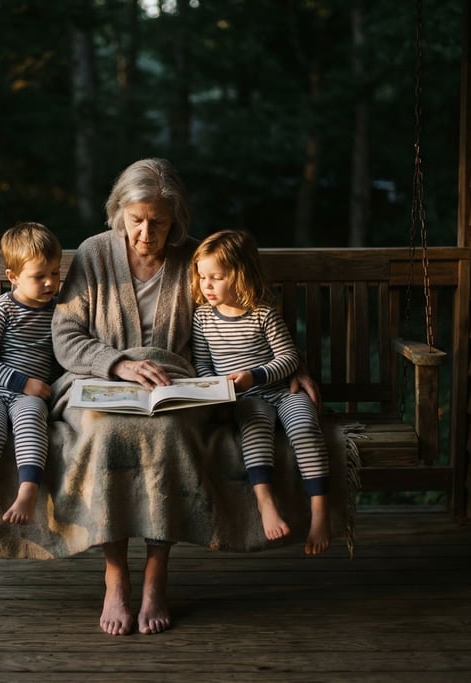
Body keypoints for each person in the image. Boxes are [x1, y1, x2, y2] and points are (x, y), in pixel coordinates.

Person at [51, 159, 322, 636]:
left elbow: (245, 311)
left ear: (176, 219)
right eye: (136, 219)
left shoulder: (197, 258)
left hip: (177, 385)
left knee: (169, 434)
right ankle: (115, 573)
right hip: (101, 377)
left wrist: (291, 363)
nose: (146, 232)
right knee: (102, 430)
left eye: (158, 221)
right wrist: (118, 363)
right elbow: (66, 334)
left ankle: (157, 573)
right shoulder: (94, 254)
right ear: (119, 213)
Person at [190, 229, 330, 556]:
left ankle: (320, 511)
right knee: (255, 430)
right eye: (202, 277)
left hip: (282, 390)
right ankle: (266, 503)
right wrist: (219, 390)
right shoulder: (202, 319)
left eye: (217, 277)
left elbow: (288, 358)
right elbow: (203, 364)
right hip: (245, 399)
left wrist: (255, 375)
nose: (207, 285)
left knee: (306, 427)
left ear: (240, 276)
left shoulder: (262, 313)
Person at [0, 222, 62, 558]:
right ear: (13, 276)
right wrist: (25, 382)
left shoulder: (59, 311)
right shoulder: (1, 310)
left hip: (28, 398)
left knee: (33, 418)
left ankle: (28, 490)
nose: (50, 282)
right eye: (40, 276)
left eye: (55, 273)